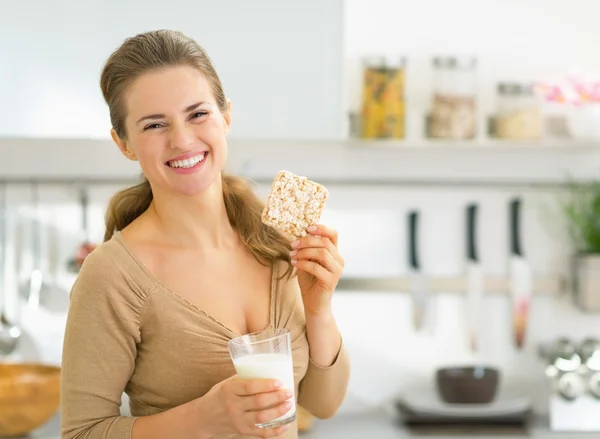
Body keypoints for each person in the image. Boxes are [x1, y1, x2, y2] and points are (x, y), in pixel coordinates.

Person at [60, 29, 350, 439]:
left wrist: (319, 309)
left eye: (198, 114)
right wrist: (205, 417)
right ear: (123, 144)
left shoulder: (278, 244)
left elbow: (325, 403)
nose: (182, 140)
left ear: (226, 116)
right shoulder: (112, 276)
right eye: (154, 124)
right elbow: (81, 433)